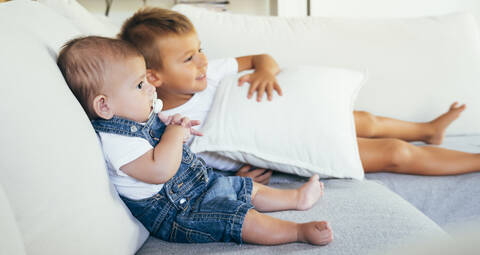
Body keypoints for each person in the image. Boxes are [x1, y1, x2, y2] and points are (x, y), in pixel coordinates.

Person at [119, 7, 480, 179]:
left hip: (294, 114)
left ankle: (427, 131)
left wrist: (265, 71)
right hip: (287, 143)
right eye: (188, 57)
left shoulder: (209, 71)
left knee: (365, 120)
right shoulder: (161, 121)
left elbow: (262, 57)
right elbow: (180, 171)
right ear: (154, 76)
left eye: (201, 48)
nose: (202, 60)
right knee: (395, 153)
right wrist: (233, 183)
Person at [56, 36, 333, 246]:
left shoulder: (136, 115)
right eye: (140, 85)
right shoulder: (116, 141)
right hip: (179, 212)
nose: (151, 88)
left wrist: (170, 124)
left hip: (199, 184)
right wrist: (175, 136)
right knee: (235, 218)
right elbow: (159, 170)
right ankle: (296, 232)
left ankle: (296, 198)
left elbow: (158, 138)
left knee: (244, 187)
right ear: (104, 107)